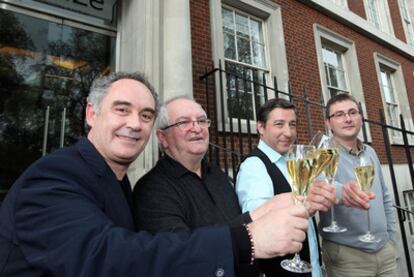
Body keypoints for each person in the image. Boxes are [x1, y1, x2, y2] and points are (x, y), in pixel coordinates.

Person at [0, 72, 309, 277]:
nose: (135, 123)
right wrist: (247, 239)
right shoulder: (55, 176)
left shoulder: (119, 182)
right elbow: (106, 258)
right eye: (122, 109)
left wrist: (260, 214)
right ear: (91, 115)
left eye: (146, 115)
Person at [133, 96, 296, 276]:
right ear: (163, 138)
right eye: (183, 122)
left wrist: (268, 209)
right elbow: (181, 257)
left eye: (202, 121)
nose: (196, 128)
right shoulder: (151, 190)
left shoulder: (217, 175)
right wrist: (258, 215)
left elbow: (236, 225)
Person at [236, 98, 336, 277]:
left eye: (292, 124)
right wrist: (306, 206)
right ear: (261, 127)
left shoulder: (294, 162)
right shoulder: (254, 166)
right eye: (279, 124)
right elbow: (259, 225)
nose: (288, 133)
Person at [319, 93, 397, 277]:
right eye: (339, 115)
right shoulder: (323, 152)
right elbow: (321, 185)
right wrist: (344, 192)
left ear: (360, 118)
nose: (347, 118)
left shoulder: (370, 152)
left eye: (352, 112)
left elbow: (385, 196)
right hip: (348, 257)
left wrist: (391, 238)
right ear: (328, 123)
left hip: (384, 251)